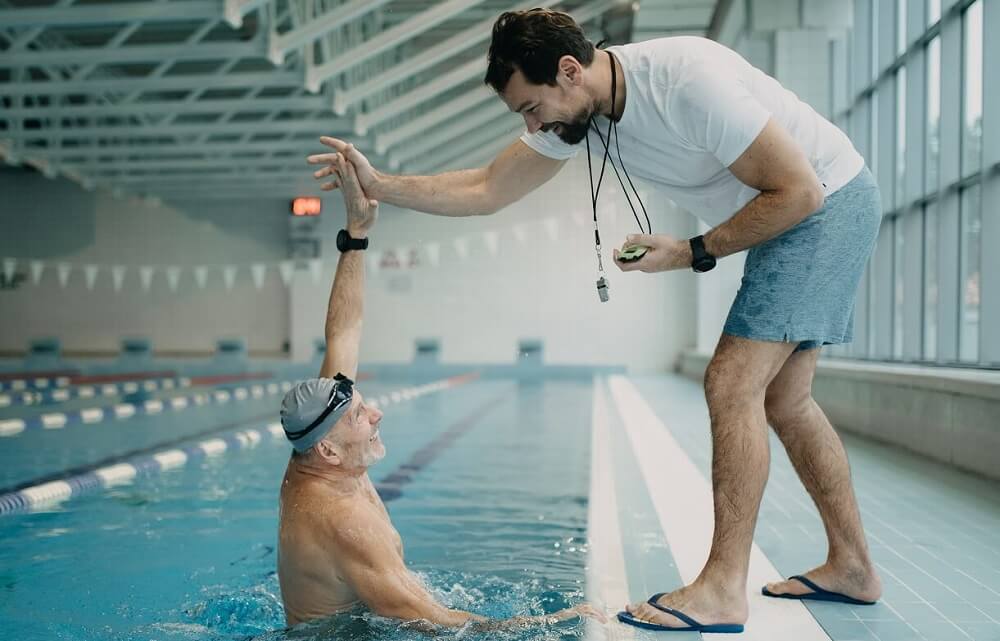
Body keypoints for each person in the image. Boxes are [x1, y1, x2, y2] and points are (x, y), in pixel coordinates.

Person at [305, 8, 884, 634]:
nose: (533, 125)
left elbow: (799, 193)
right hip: (800, 209)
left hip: (823, 203)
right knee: (788, 400)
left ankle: (721, 589)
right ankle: (852, 566)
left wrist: (691, 250)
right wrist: (380, 185)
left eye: (532, 108)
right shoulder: (582, 112)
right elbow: (486, 188)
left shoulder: (687, 81)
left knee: (731, 383)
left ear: (569, 70)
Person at [276, 153, 604, 630]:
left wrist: (357, 234)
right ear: (327, 448)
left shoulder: (317, 449)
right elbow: (440, 623)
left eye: (364, 405)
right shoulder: (344, 522)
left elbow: (343, 331)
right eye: (360, 417)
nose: (377, 414)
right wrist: (551, 625)